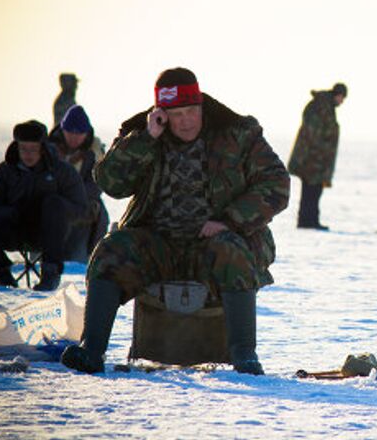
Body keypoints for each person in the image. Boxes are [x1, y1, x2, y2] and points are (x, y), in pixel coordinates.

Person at [60, 67, 289, 375]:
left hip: (216, 243)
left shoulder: (237, 132)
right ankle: (91, 350)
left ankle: (244, 358)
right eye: (176, 114)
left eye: (192, 111)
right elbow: (111, 183)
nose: (185, 121)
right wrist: (146, 138)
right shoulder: (141, 132)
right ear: (162, 114)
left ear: (202, 107)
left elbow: (276, 184)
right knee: (109, 252)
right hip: (157, 244)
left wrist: (230, 221)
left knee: (230, 252)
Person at [0, 120, 87, 291]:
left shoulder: (62, 171)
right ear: (16, 147)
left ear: (43, 148)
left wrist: (55, 209)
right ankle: (3, 277)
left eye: (33, 149)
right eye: (23, 148)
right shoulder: (4, 172)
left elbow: (81, 209)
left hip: (51, 234)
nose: (28, 154)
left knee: (53, 203)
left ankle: (50, 275)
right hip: (15, 229)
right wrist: (13, 212)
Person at [48, 105, 109, 262]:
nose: (74, 137)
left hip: (83, 203)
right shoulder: (48, 150)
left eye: (79, 133)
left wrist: (75, 194)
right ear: (63, 130)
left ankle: (89, 256)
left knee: (98, 214)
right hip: (52, 202)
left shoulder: (94, 152)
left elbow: (97, 183)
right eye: (70, 132)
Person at [288, 83, 347, 230]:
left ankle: (309, 221)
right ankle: (308, 222)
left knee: (313, 189)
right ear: (337, 94)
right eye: (342, 97)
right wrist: (319, 152)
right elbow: (314, 133)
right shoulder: (322, 107)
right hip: (312, 158)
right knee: (311, 189)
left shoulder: (325, 107)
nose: (342, 101)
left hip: (316, 158)